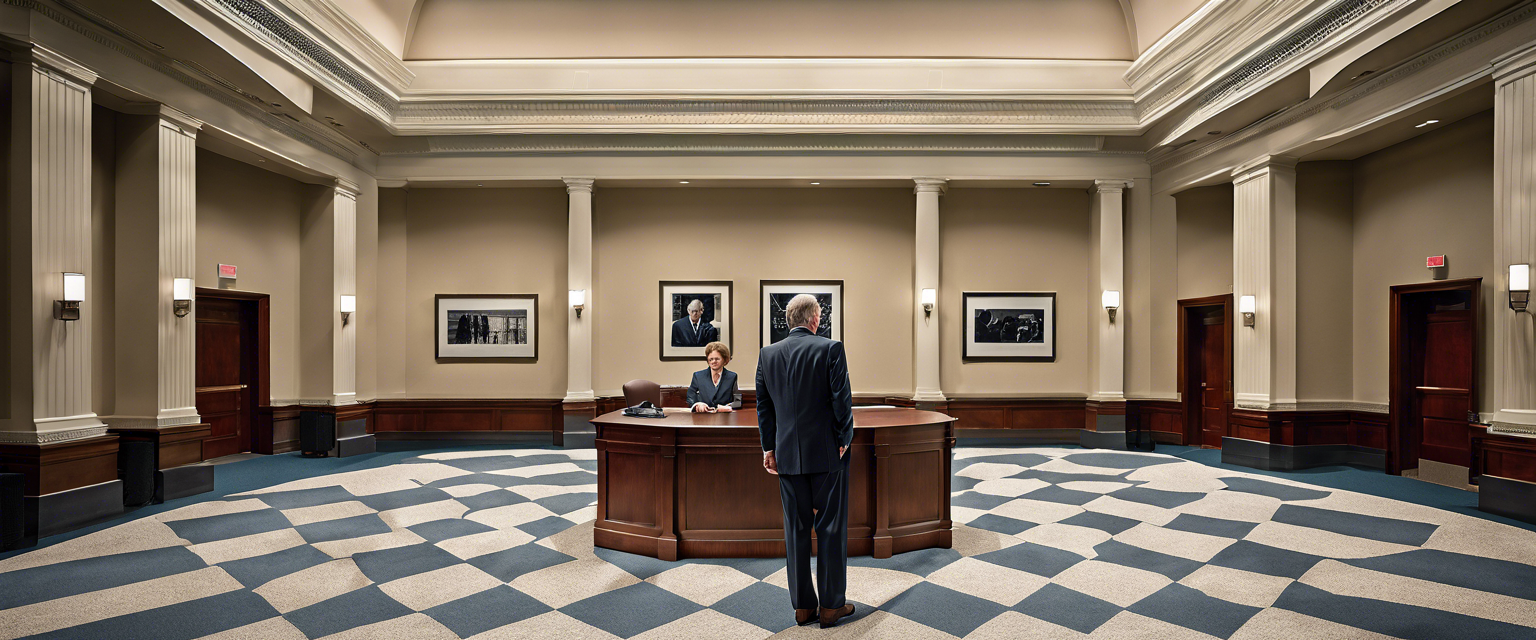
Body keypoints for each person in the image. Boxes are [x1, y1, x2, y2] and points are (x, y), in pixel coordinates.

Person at [756, 294, 855, 628]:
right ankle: (831, 607)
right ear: (814, 319)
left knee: (795, 530)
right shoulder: (830, 348)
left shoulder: (767, 354)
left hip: (785, 457)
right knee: (830, 529)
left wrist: (768, 448)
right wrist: (844, 439)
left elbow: (764, 407)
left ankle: (802, 607)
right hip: (828, 454)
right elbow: (842, 400)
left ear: (789, 320)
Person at [688, 342, 738, 412]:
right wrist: (697, 404)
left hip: (725, 417)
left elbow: (738, 401)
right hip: (703, 416)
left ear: (725, 360)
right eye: (711, 359)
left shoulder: (732, 376)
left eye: (717, 359)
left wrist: (727, 407)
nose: (713, 362)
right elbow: (690, 395)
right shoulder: (698, 376)